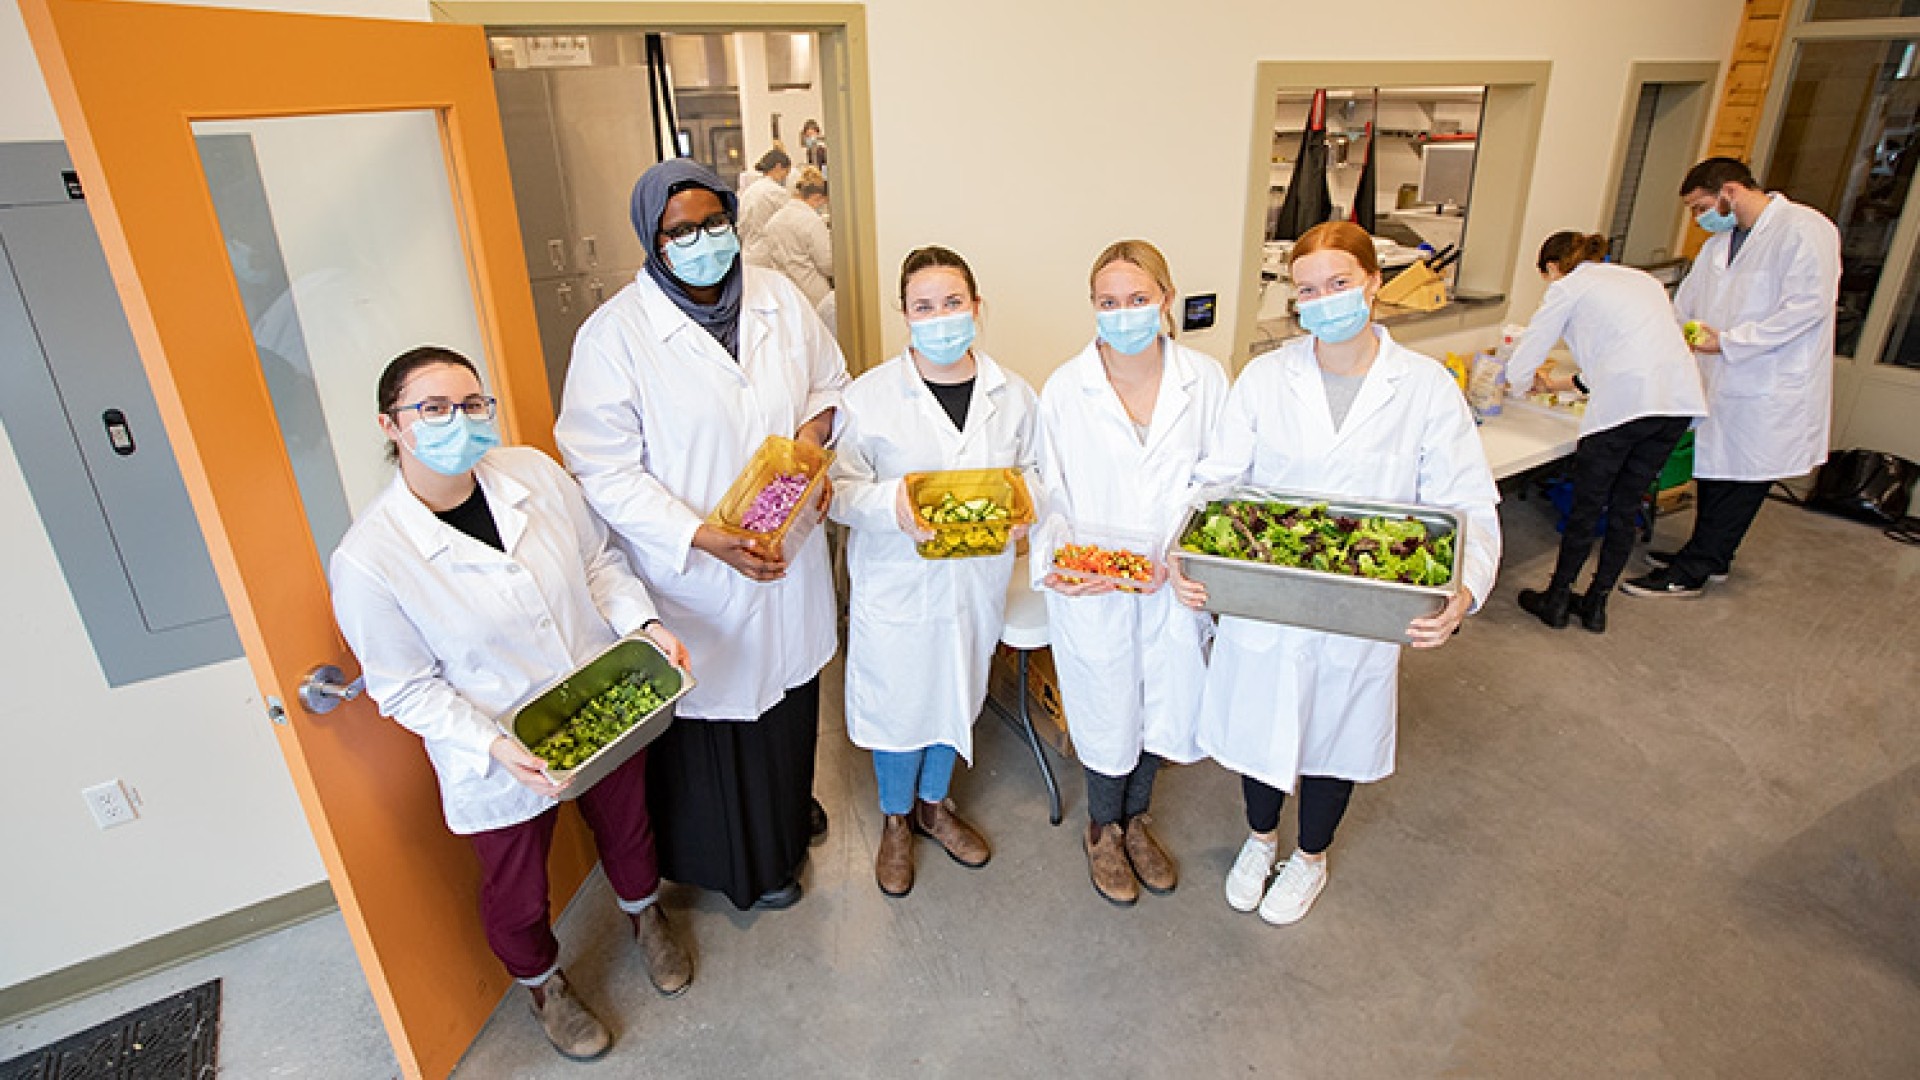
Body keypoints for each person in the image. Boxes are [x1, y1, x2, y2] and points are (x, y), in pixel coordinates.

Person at [330, 346, 694, 1062]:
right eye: (433, 408)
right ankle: (543, 984)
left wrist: (643, 625)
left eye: (472, 404)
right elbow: (405, 686)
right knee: (517, 886)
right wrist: (495, 746)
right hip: (495, 743)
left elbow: (598, 562)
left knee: (628, 828)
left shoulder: (530, 473)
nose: (458, 421)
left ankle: (645, 915)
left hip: (598, 697)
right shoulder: (370, 559)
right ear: (390, 425)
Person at [1184, 221, 1500, 927]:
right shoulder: (1267, 377)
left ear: (1373, 283)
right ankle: (1260, 840)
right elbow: (1218, 481)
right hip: (1267, 592)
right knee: (1258, 724)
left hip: (1363, 604)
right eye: (1307, 290)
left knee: (1337, 735)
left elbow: (1466, 504)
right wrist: (1187, 556)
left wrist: (1464, 590)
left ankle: (1310, 856)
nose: (1323, 300)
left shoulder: (1423, 388)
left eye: (1338, 283)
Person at [555, 158, 849, 912]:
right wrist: (701, 537)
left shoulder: (778, 297)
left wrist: (812, 442)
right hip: (694, 574)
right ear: (652, 241)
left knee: (788, 706)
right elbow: (602, 469)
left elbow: (831, 382)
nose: (703, 240)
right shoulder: (614, 336)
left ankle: (790, 815)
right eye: (680, 231)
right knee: (719, 726)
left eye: (715, 222)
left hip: (786, 547)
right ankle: (745, 867)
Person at [829, 246, 1039, 896]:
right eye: (925, 306)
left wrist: (1026, 510)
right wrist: (892, 506)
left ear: (977, 307)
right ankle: (896, 820)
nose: (941, 317)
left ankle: (934, 805)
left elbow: (1037, 472)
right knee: (899, 703)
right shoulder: (867, 398)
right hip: (899, 583)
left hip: (975, 581)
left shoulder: (1013, 395)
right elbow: (837, 490)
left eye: (953, 303)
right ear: (905, 315)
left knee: (957, 689)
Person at [1032, 240, 1229, 906]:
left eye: (1139, 298)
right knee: (1106, 704)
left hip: (1175, 579)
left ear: (1166, 299)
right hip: (1098, 586)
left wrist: (1180, 554)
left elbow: (1222, 482)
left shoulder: (1206, 380)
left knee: (1163, 706)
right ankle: (1102, 828)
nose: (1124, 313)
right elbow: (1048, 490)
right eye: (1109, 301)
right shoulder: (1066, 388)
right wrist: (1062, 562)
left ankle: (1136, 819)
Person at [1623, 157, 1841, 598]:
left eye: (1701, 207)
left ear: (1730, 191)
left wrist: (1729, 341)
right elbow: (1685, 305)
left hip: (1768, 382)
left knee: (1743, 480)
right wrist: (1665, 339)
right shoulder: (1719, 245)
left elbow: (1808, 307)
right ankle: (1712, 555)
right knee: (1718, 473)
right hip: (1722, 379)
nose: (1698, 218)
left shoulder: (1803, 228)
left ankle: (1693, 571)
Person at [1505, 231, 1707, 632]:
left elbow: (1529, 350)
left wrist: (1517, 383)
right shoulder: (1640, 281)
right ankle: (1596, 605)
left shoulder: (1568, 286)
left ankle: (1557, 599)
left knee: (1587, 507)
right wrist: (1556, 385)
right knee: (1626, 507)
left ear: (1552, 267)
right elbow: (1628, 356)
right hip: (1675, 403)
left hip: (1625, 409)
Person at [763, 166, 834, 307]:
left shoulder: (773, 221)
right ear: (817, 198)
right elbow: (827, 264)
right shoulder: (811, 221)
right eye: (823, 203)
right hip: (813, 294)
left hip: (786, 293)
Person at [737, 148, 793, 264]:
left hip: (748, 255)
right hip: (768, 257)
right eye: (786, 172)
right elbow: (790, 226)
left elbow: (741, 227)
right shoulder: (777, 192)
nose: (785, 177)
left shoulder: (749, 191)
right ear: (778, 167)